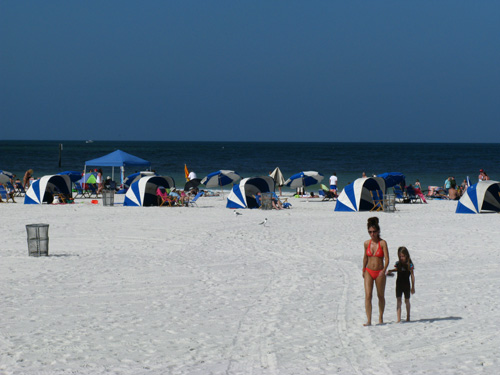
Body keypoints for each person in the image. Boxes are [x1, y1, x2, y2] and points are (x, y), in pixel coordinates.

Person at [362, 217, 389, 326]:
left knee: (380, 295)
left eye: (374, 232)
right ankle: (368, 320)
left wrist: (384, 270)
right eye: (370, 232)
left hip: (379, 272)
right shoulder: (366, 243)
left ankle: (380, 317)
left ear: (378, 231)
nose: (372, 234)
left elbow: (387, 258)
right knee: (368, 295)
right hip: (369, 271)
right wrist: (363, 269)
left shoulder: (382, 243)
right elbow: (365, 257)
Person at [387, 247, 415, 322]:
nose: (401, 258)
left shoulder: (410, 264)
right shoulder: (398, 263)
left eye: (403, 256)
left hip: (407, 284)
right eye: (400, 256)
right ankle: (398, 318)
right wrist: (391, 271)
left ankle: (408, 316)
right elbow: (397, 269)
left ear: (406, 255)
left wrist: (413, 287)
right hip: (399, 284)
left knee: (407, 300)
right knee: (398, 300)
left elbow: (412, 275)